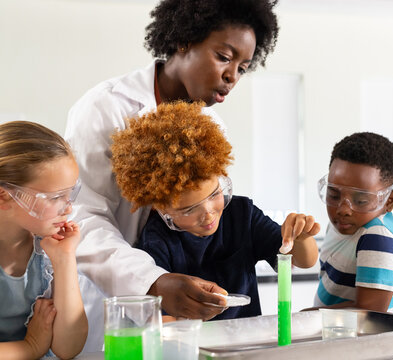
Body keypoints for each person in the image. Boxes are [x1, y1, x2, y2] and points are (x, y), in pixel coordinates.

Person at [64, 0, 279, 320]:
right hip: (106, 305)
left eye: (242, 68)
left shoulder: (212, 127)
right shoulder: (106, 107)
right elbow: (82, 217)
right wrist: (153, 282)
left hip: (183, 316)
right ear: (184, 40)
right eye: (223, 57)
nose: (232, 76)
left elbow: (206, 221)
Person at [110, 101, 320, 320]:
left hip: (247, 342)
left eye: (214, 195)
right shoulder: (156, 241)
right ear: (161, 208)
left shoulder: (242, 214)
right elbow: (162, 320)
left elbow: (304, 261)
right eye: (190, 209)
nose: (209, 214)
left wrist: (301, 236)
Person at [0, 121, 88, 359]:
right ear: (4, 196)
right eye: (56, 197)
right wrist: (30, 347)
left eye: (71, 194)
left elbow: (68, 348)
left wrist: (64, 259)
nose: (68, 208)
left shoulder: (48, 248)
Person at [309, 132, 393, 313]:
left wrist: (305, 317)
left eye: (361, 201)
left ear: (389, 201)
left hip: (368, 339)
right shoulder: (341, 224)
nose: (343, 209)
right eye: (333, 195)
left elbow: (370, 313)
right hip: (337, 334)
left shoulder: (378, 237)